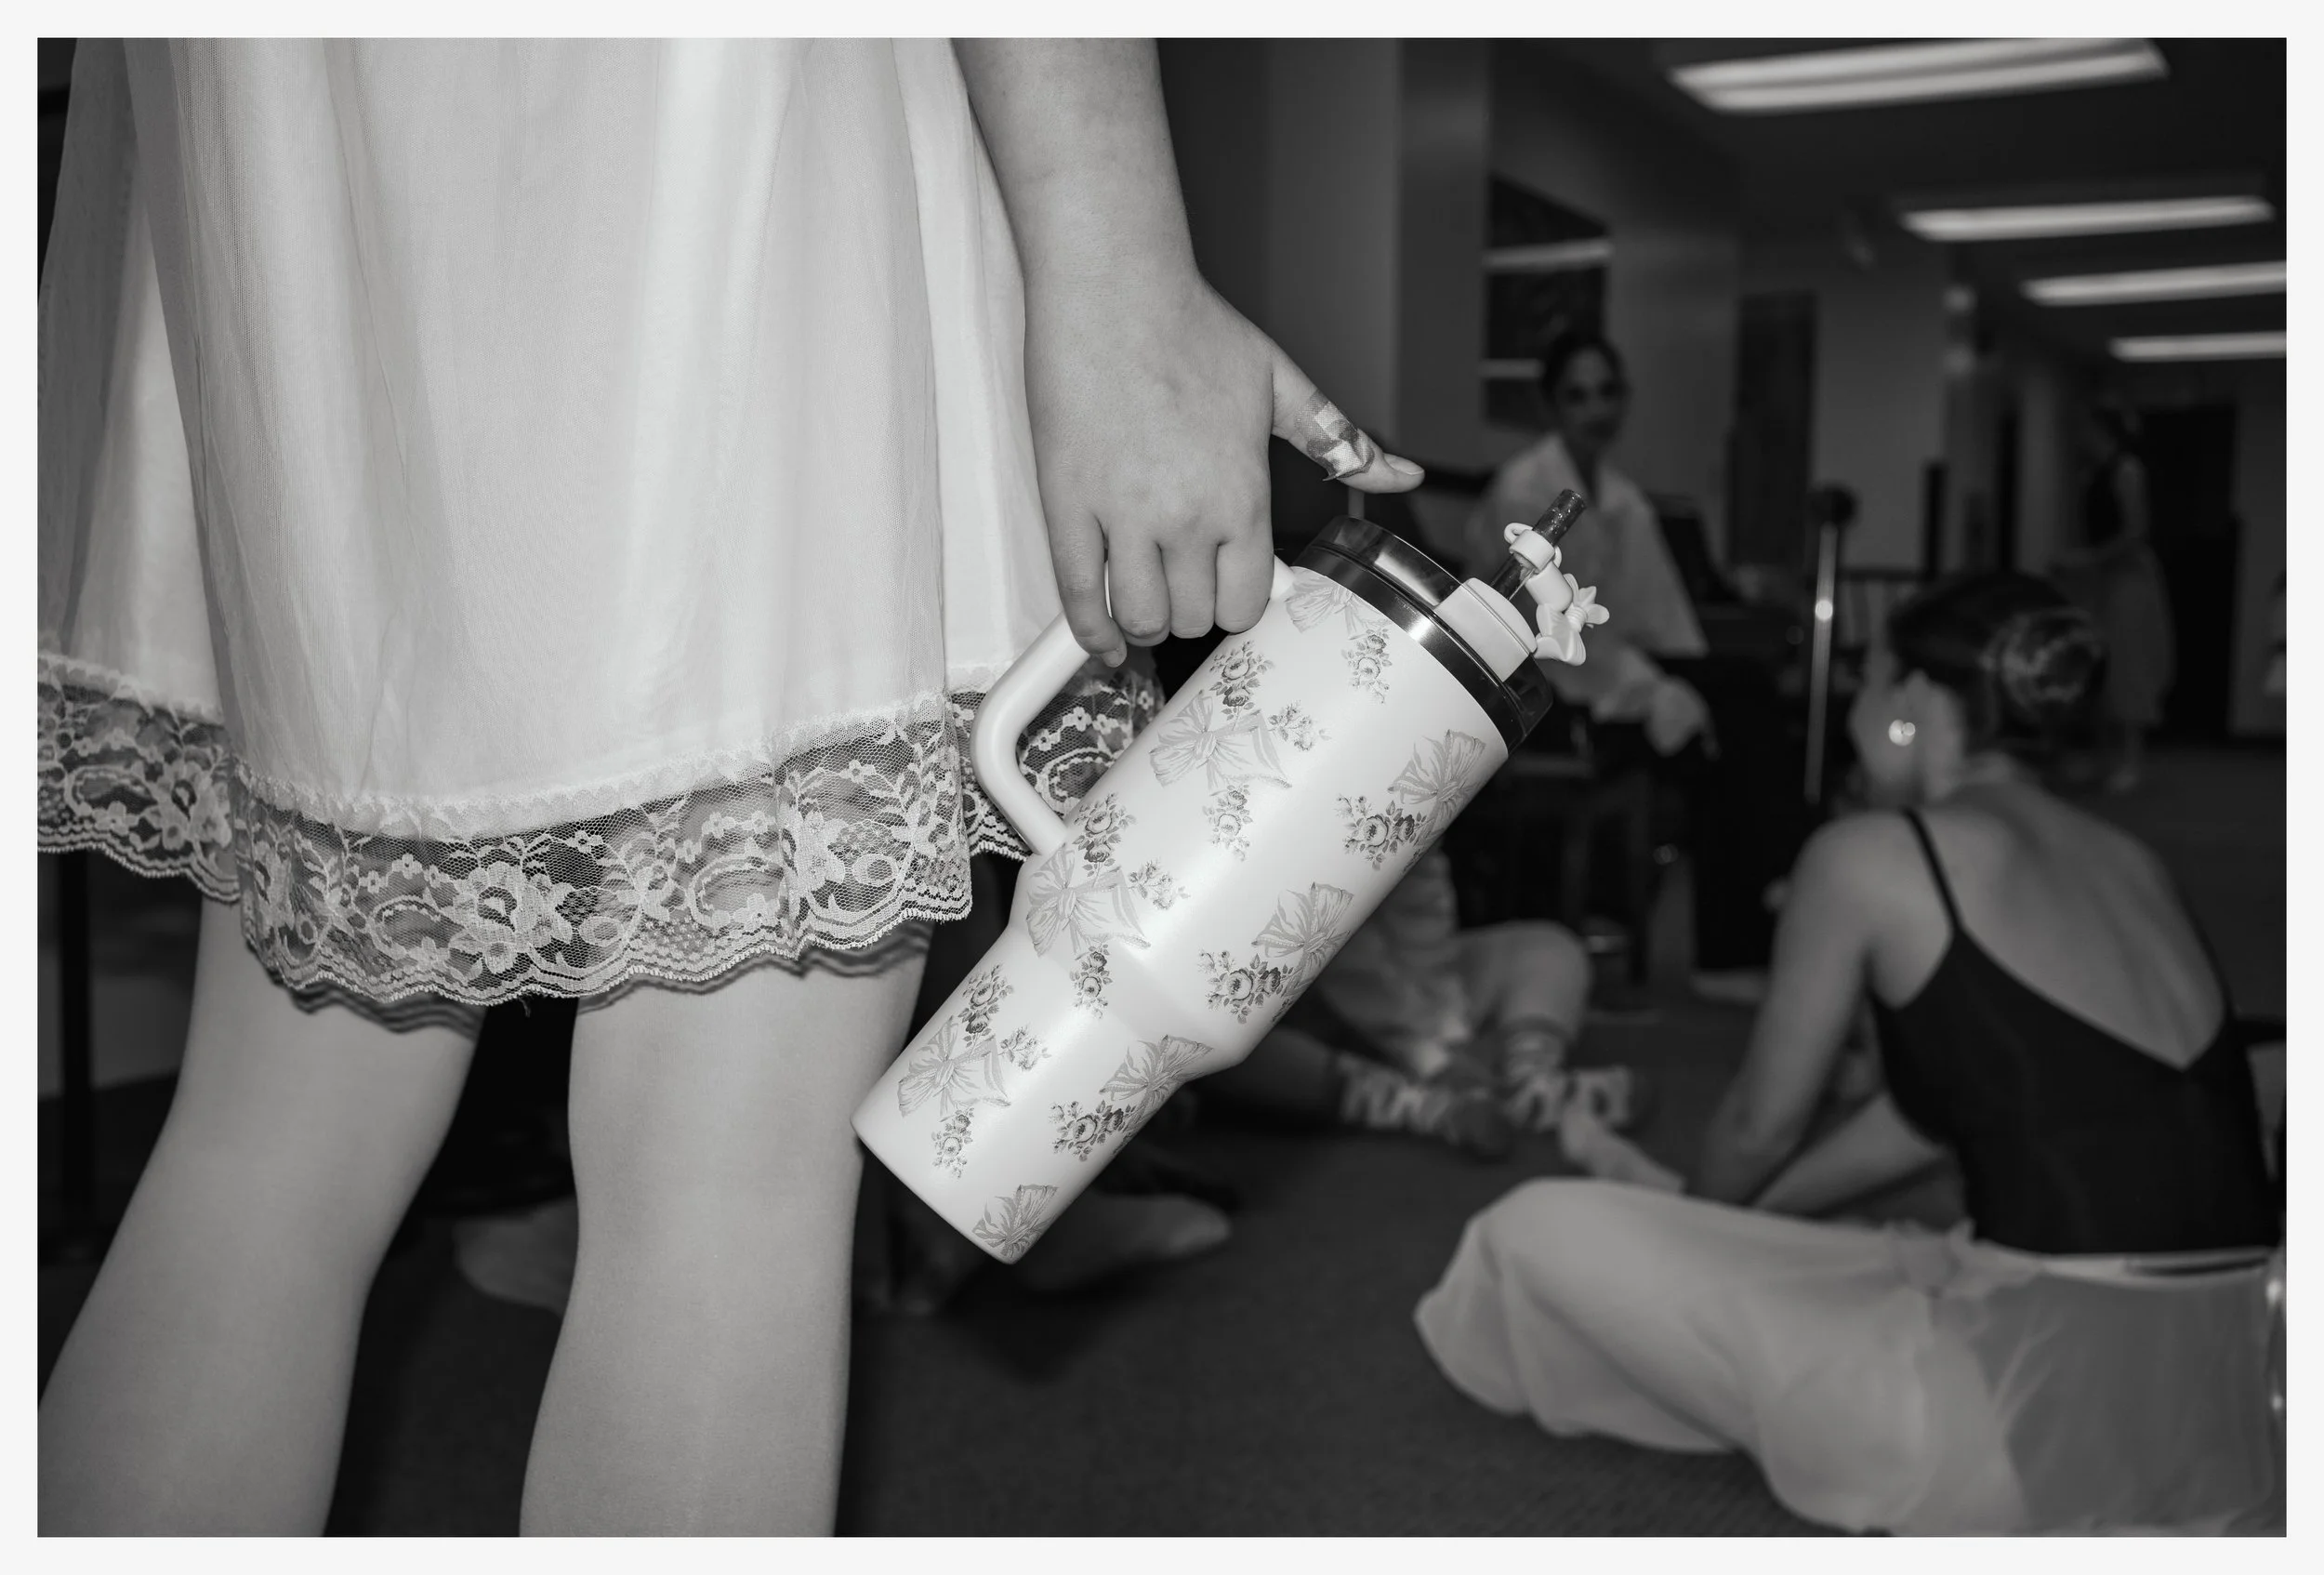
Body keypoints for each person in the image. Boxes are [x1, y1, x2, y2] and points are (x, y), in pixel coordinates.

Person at [36, 40, 1423, 1534]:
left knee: (273, 1138)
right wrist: (1121, 275)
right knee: (723, 1179)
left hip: (317, 123)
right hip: (711, 132)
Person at [1413, 573, 2283, 1535]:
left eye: (1869, 683)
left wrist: (1698, 1229)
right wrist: (1744, 1228)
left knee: (1532, 1227)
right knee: (1850, 1258)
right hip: (2219, 1393)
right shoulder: (2132, 861)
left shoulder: (1875, 852)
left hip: (2024, 1423)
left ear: (1909, 701)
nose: (1857, 710)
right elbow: (1950, 1105)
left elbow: (1760, 1121)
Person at [1464, 330, 1807, 1000]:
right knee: (1733, 718)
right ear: (1552, 407)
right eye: (1577, 395)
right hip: (1549, 694)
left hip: (1617, 671)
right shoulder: (1525, 491)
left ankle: (1761, 906)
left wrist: (1671, 684)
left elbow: (1662, 621)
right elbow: (1542, 629)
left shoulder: (1624, 499)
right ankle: (1746, 923)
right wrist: (1653, 691)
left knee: (1742, 703)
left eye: (1607, 391)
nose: (1595, 409)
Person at [1203, 850, 1670, 1186]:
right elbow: (1345, 961)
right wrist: (1432, 1054)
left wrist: (1450, 1029)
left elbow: (1425, 919)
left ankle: (1530, 1080)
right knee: (1213, 1043)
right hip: (1290, 1002)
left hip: (1410, 999)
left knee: (1550, 947)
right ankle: (1421, 1105)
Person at [2051, 403, 2174, 794]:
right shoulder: (2089, 474)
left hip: (2127, 579)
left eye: (2085, 430)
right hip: (2097, 581)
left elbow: (2135, 532)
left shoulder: (2127, 470)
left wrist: (2087, 559)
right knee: (2095, 668)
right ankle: (2102, 758)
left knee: (2128, 668)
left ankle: (2130, 760)